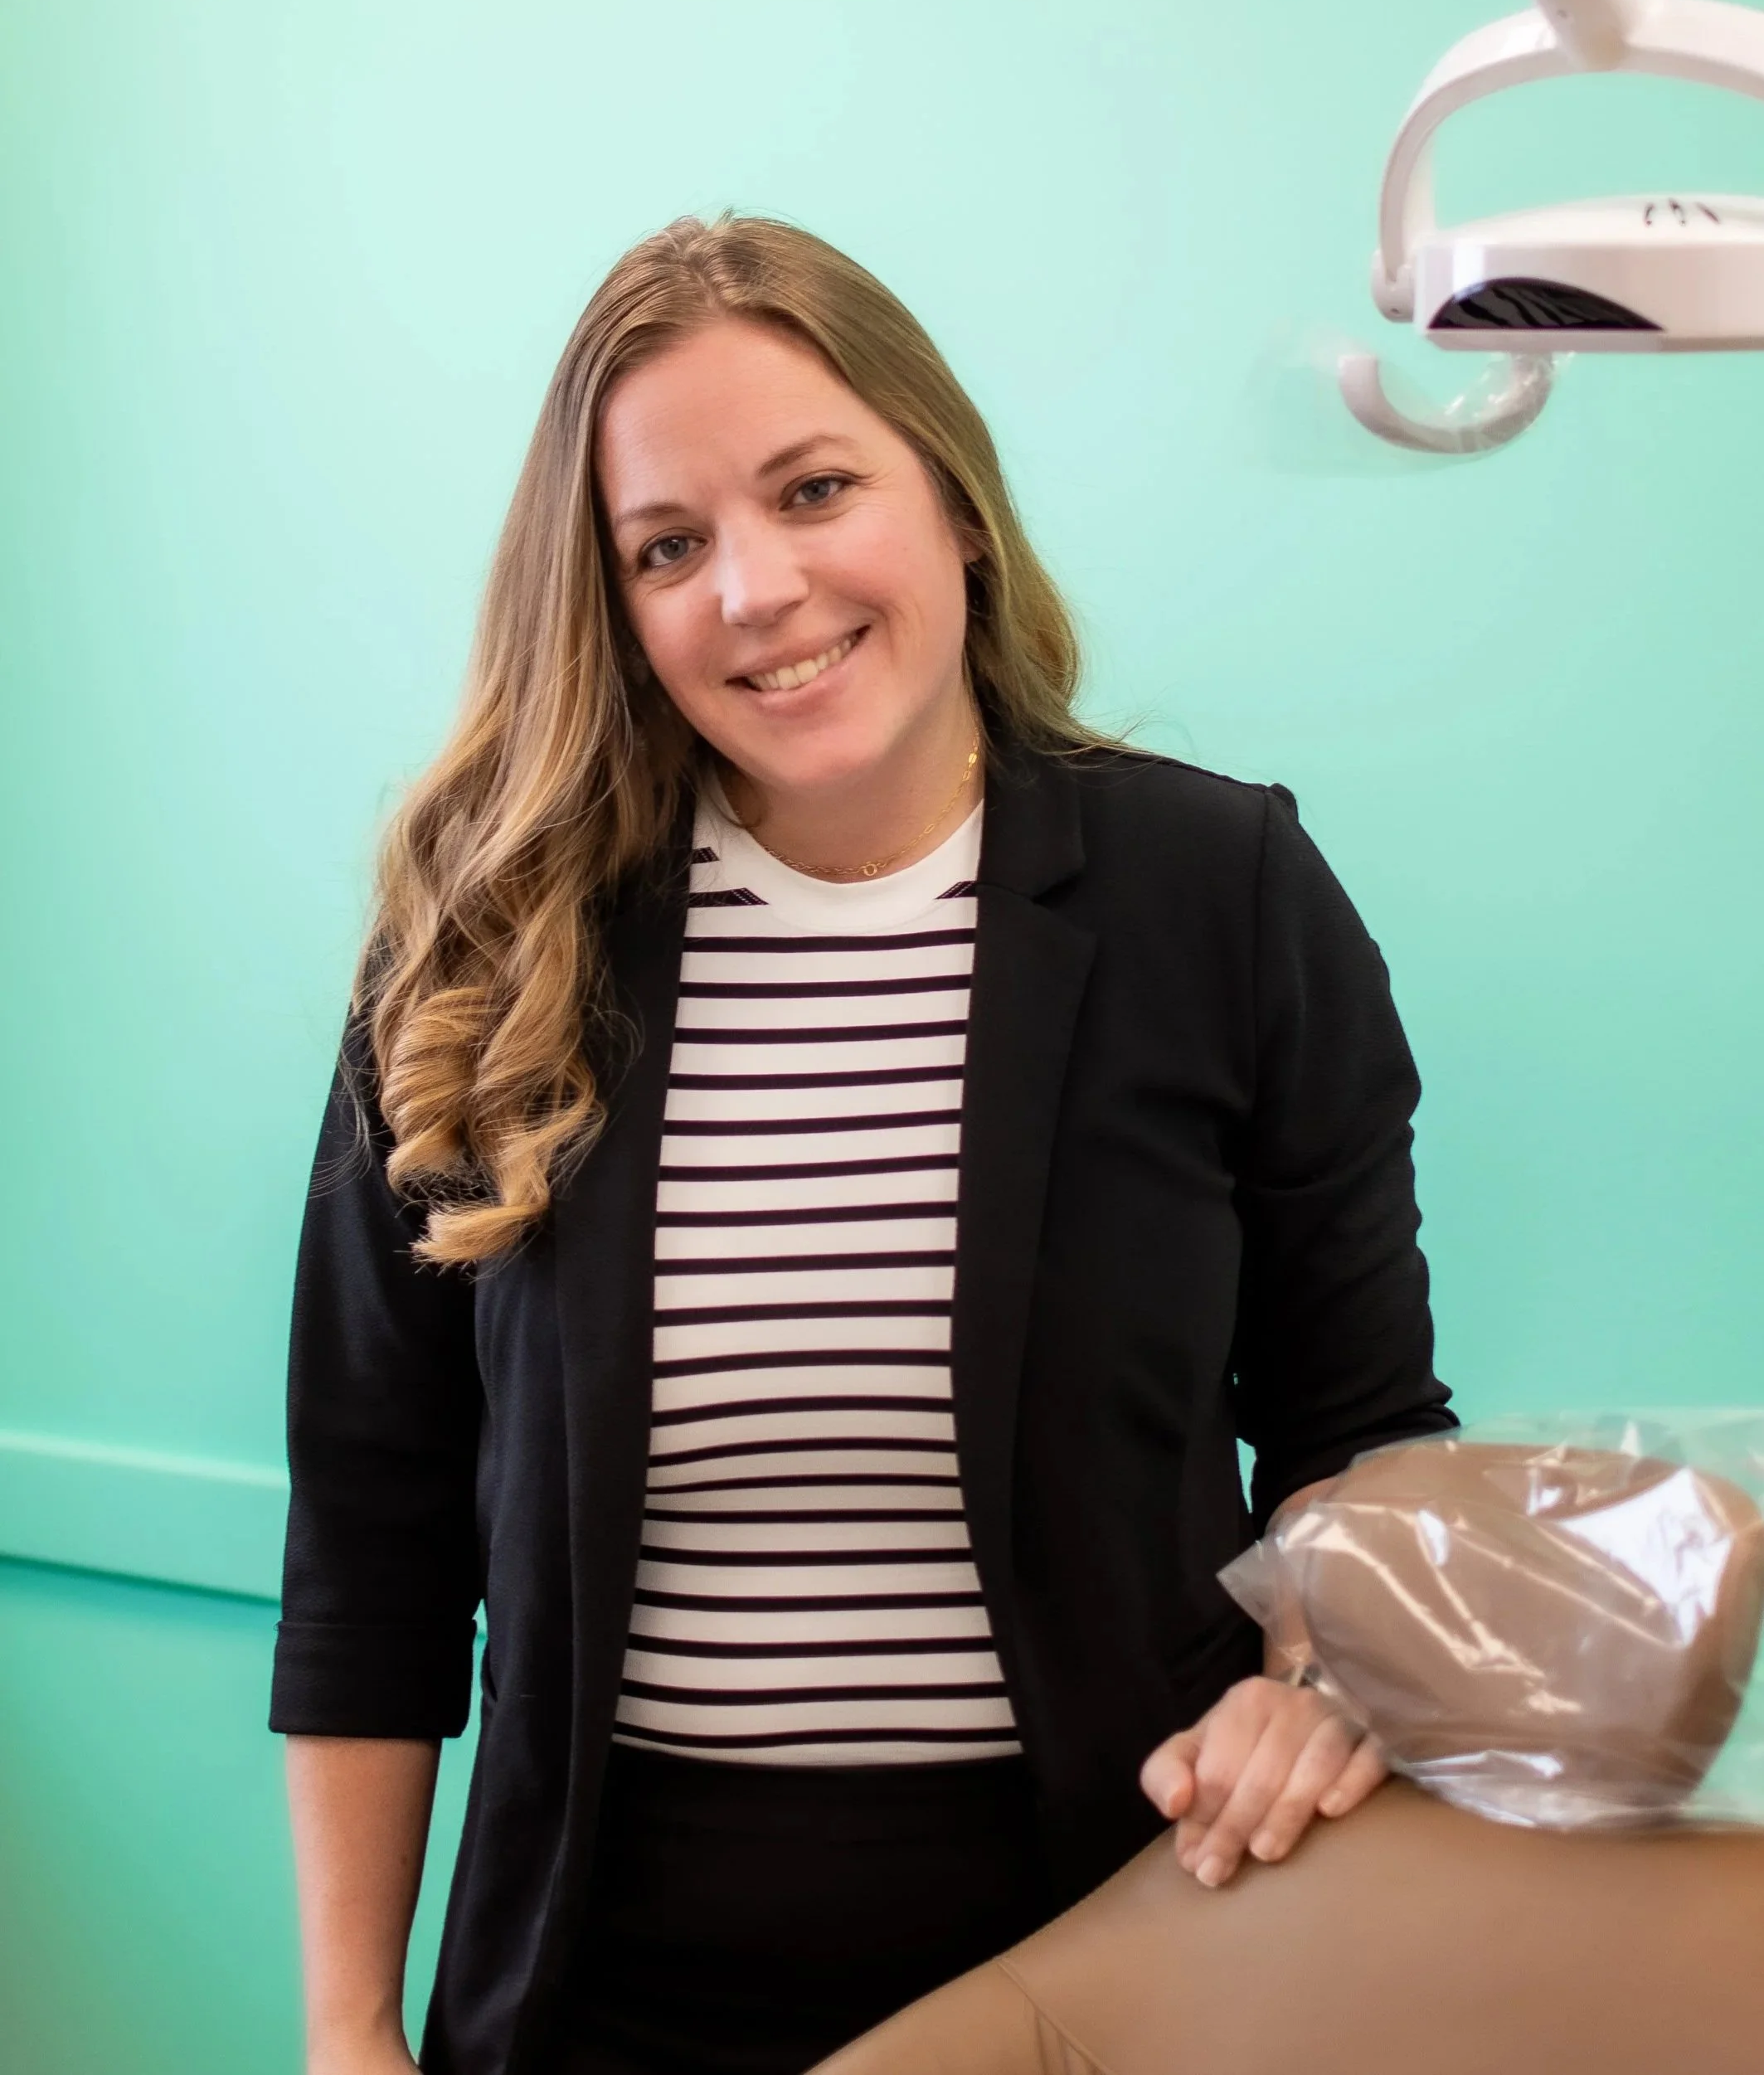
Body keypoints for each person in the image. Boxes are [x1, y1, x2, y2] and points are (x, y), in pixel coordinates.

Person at [270, 213, 1455, 2075]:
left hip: (1119, 1956)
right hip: (600, 1995)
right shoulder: (488, 944)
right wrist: (347, 2030)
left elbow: (1360, 1425)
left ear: (955, 503)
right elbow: (372, 1524)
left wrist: (1319, 1682)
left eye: (815, 489)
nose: (756, 589)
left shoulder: (1216, 893)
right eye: (668, 546)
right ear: (613, 605)